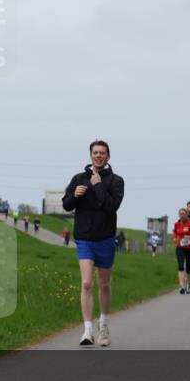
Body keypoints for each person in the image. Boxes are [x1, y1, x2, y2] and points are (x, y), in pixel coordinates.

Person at [62, 140, 125, 347]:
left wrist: (98, 186)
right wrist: (74, 195)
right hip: (84, 238)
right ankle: (87, 329)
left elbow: (112, 207)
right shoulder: (78, 178)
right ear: (90, 155)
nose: (98, 156)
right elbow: (67, 205)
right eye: (95, 152)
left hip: (105, 238)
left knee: (104, 285)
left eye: (102, 153)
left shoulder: (116, 181)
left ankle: (103, 325)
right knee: (87, 283)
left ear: (108, 156)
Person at [172, 208, 190, 294]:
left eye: (183, 214)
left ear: (186, 215)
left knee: (188, 269)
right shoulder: (177, 224)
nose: (182, 215)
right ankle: (181, 286)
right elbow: (175, 232)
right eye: (180, 214)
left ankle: (188, 284)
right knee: (181, 266)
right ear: (179, 215)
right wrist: (174, 237)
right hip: (180, 248)